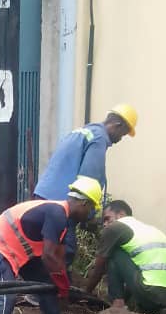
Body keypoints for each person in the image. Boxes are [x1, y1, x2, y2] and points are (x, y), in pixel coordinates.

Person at [0, 177, 103, 314]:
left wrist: (61, 282)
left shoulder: (62, 217)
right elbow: (48, 256)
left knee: (44, 284)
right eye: (91, 208)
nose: (90, 213)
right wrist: (60, 282)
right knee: (6, 294)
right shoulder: (57, 214)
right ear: (84, 203)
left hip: (17, 249)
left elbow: (57, 254)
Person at [34, 103, 138, 265]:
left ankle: (35, 287)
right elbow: (89, 180)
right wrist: (89, 216)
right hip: (63, 204)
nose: (119, 140)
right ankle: (54, 289)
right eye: (123, 134)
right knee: (64, 253)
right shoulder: (99, 139)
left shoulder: (81, 132)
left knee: (42, 249)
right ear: (118, 125)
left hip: (42, 197)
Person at [82, 199, 166, 314]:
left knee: (113, 253)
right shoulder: (150, 230)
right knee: (136, 261)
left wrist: (86, 292)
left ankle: (117, 305)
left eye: (107, 218)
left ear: (121, 214)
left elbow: (99, 266)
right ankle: (160, 309)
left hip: (149, 290)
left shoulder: (115, 227)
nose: (104, 224)